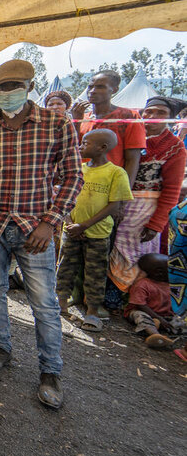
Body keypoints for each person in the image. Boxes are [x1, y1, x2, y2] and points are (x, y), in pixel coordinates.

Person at [0, 59, 83, 409]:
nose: (8, 92)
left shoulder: (57, 122)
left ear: (31, 86)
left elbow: (74, 176)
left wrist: (50, 222)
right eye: (1, 87)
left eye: (15, 85)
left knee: (44, 304)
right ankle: (1, 349)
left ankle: (50, 371)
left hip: (36, 229)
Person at [56, 129, 132, 331]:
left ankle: (92, 312)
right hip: (71, 230)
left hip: (97, 233)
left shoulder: (116, 173)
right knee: (65, 267)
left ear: (102, 147)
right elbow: (66, 198)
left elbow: (115, 205)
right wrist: (72, 222)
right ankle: (60, 303)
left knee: (95, 272)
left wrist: (85, 225)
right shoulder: (78, 169)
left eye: (85, 144)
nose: (80, 148)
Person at [109, 96, 187, 293]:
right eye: (149, 112)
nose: (153, 116)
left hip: (145, 209)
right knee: (111, 247)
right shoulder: (132, 134)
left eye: (161, 113)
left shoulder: (175, 147)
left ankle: (133, 297)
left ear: (171, 118)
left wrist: (156, 224)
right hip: (118, 201)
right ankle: (109, 295)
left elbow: (171, 190)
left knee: (135, 252)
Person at [72, 70, 146, 187]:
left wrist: (124, 193)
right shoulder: (82, 118)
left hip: (110, 184)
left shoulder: (129, 117)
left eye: (100, 87)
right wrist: (76, 122)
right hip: (82, 184)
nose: (92, 91)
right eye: (90, 87)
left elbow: (132, 159)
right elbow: (73, 152)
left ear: (115, 89)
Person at [125, 253, 180, 348]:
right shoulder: (143, 284)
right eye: (171, 270)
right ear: (159, 272)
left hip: (165, 316)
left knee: (182, 321)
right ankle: (154, 335)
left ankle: (158, 325)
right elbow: (140, 305)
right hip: (142, 312)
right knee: (141, 316)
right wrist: (159, 318)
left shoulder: (172, 284)